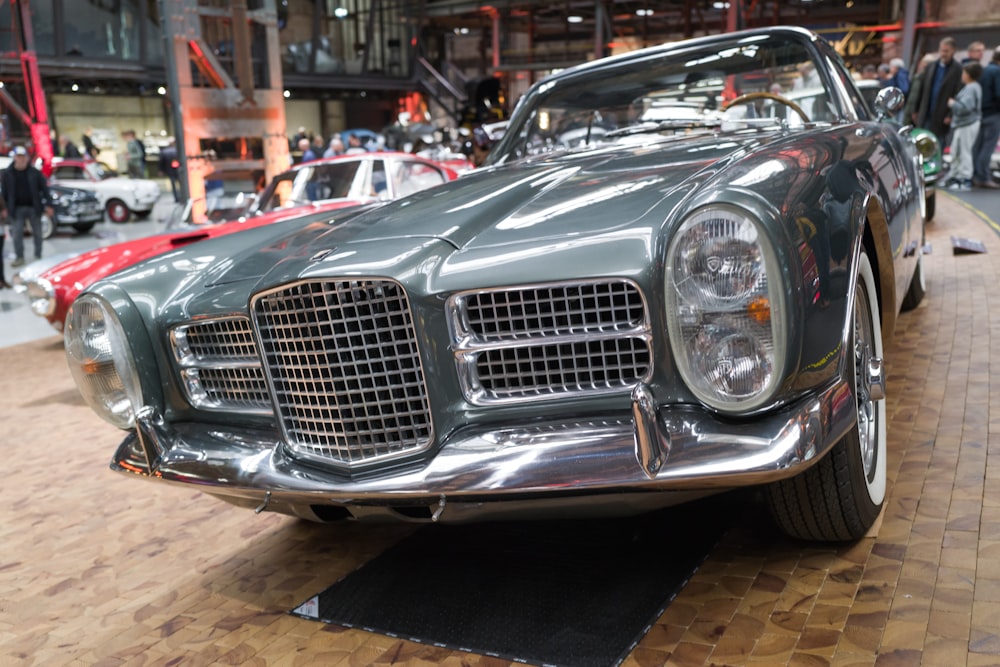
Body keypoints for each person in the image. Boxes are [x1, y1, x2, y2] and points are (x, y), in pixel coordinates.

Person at [0, 146, 54, 268]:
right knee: (17, 234)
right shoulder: (8, 174)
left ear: (26, 158)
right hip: (16, 209)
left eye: (23, 156)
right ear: (14, 158)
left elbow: (45, 190)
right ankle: (19, 257)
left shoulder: (34, 173)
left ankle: (38, 255)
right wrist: (4, 208)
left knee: (38, 232)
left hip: (34, 208)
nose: (21, 159)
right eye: (18, 157)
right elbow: (4, 193)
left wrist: (49, 205)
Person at [911, 37, 964, 148]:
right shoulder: (931, 66)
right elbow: (921, 90)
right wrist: (915, 110)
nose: (943, 54)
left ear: (953, 51)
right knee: (921, 143)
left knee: (937, 146)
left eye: (946, 51)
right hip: (926, 112)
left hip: (941, 115)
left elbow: (958, 93)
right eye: (941, 50)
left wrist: (950, 114)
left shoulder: (958, 70)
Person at [946, 62, 983, 191]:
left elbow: (966, 107)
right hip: (963, 123)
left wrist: (953, 104)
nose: (962, 75)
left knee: (964, 151)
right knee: (956, 150)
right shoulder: (971, 87)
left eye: (964, 72)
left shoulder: (972, 88)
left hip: (968, 123)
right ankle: (955, 176)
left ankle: (965, 179)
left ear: (968, 74)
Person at [973, 46, 1000, 188]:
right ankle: (983, 177)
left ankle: (976, 175)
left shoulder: (985, 70)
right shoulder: (997, 72)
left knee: (978, 146)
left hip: (981, 113)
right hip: (993, 114)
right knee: (987, 147)